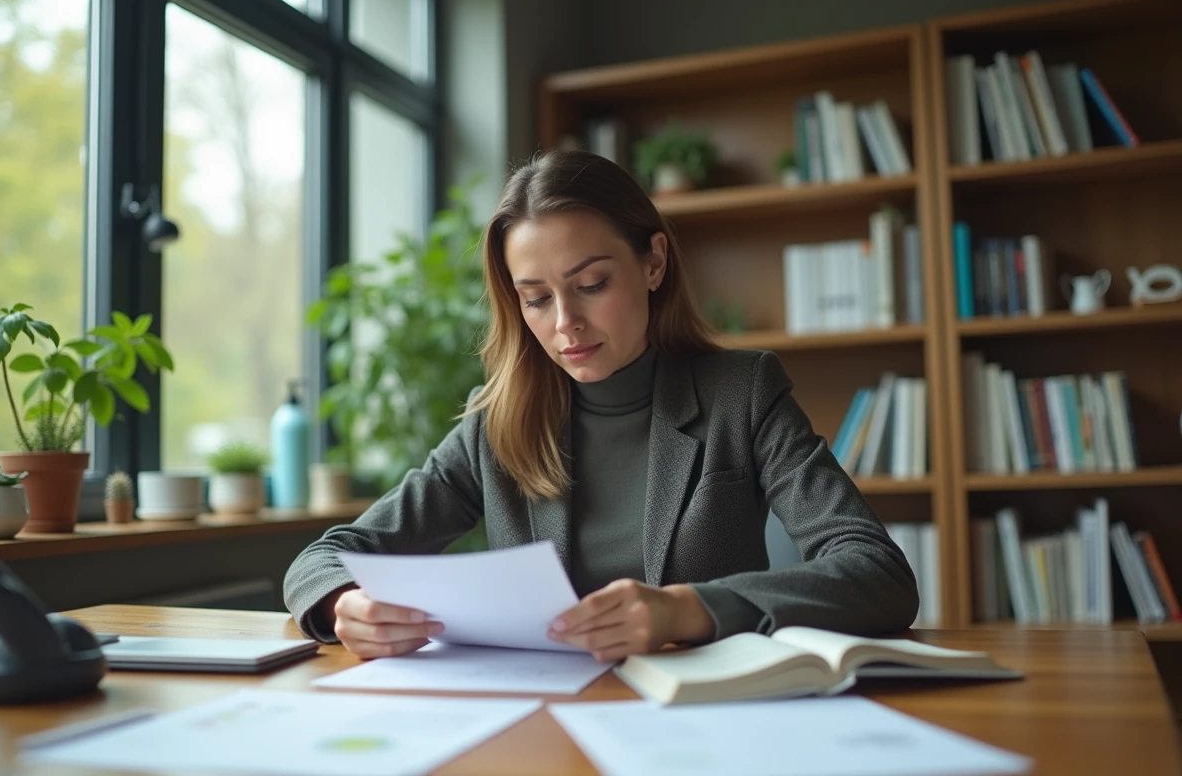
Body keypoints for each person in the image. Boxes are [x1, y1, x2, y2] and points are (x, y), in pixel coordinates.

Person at [284, 149, 919, 662]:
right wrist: (343, 604)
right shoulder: (495, 421)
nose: (567, 323)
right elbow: (324, 557)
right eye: (535, 298)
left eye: (591, 285)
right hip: (543, 724)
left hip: (702, 721)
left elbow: (877, 572)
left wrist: (687, 609)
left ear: (653, 263)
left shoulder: (743, 393)